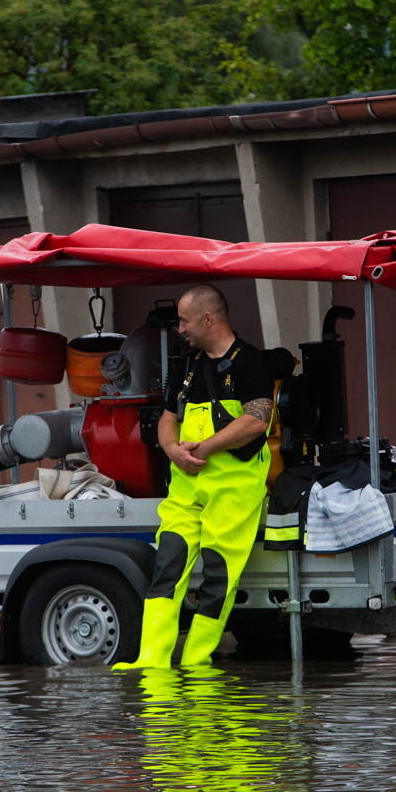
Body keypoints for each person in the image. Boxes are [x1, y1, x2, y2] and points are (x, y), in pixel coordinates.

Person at [111, 284, 274, 669]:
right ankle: (150, 660)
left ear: (208, 318)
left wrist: (206, 447)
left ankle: (197, 661)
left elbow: (257, 421)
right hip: (185, 486)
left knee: (219, 574)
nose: (180, 328)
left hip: (233, 488)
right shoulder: (185, 364)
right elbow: (169, 419)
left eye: (184, 320)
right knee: (167, 565)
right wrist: (171, 449)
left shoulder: (251, 361)